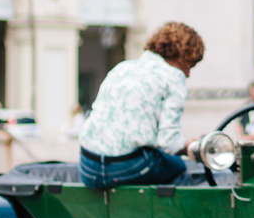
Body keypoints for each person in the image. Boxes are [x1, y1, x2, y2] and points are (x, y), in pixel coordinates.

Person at [79, 22, 204, 189]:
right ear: (183, 56)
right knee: (179, 166)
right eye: (191, 65)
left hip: (88, 167)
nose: (188, 74)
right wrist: (189, 145)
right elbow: (169, 142)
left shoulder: (122, 68)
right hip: (127, 167)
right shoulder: (174, 77)